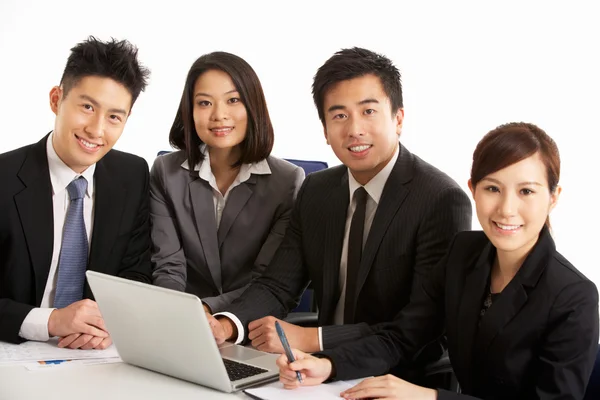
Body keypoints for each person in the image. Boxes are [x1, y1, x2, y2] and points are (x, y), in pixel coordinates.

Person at [278, 122, 599, 400]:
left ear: (553, 198)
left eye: (526, 191)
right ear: (473, 189)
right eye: (492, 188)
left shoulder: (573, 298)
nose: (506, 209)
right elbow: (404, 335)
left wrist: (430, 396)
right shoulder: (464, 253)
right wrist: (330, 364)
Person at [207, 47, 472, 369]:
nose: (354, 129)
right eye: (339, 115)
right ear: (325, 131)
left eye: (369, 111)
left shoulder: (440, 199)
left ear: (398, 118)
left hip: (396, 374)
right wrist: (226, 325)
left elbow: (422, 328)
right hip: (313, 368)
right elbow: (278, 284)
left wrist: (314, 339)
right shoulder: (317, 190)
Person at [0, 36, 152, 349]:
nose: (96, 130)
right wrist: (50, 321)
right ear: (56, 99)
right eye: (86, 107)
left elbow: (135, 274)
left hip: (94, 356)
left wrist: (112, 321)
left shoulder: (131, 175)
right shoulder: (4, 177)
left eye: (114, 117)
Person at [150, 51, 304, 313]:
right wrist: (178, 314)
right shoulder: (166, 172)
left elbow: (268, 281)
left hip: (249, 324)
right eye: (204, 103)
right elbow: (168, 267)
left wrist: (210, 311)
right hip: (180, 320)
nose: (219, 115)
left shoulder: (287, 182)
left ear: (253, 106)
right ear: (190, 110)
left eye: (233, 100)